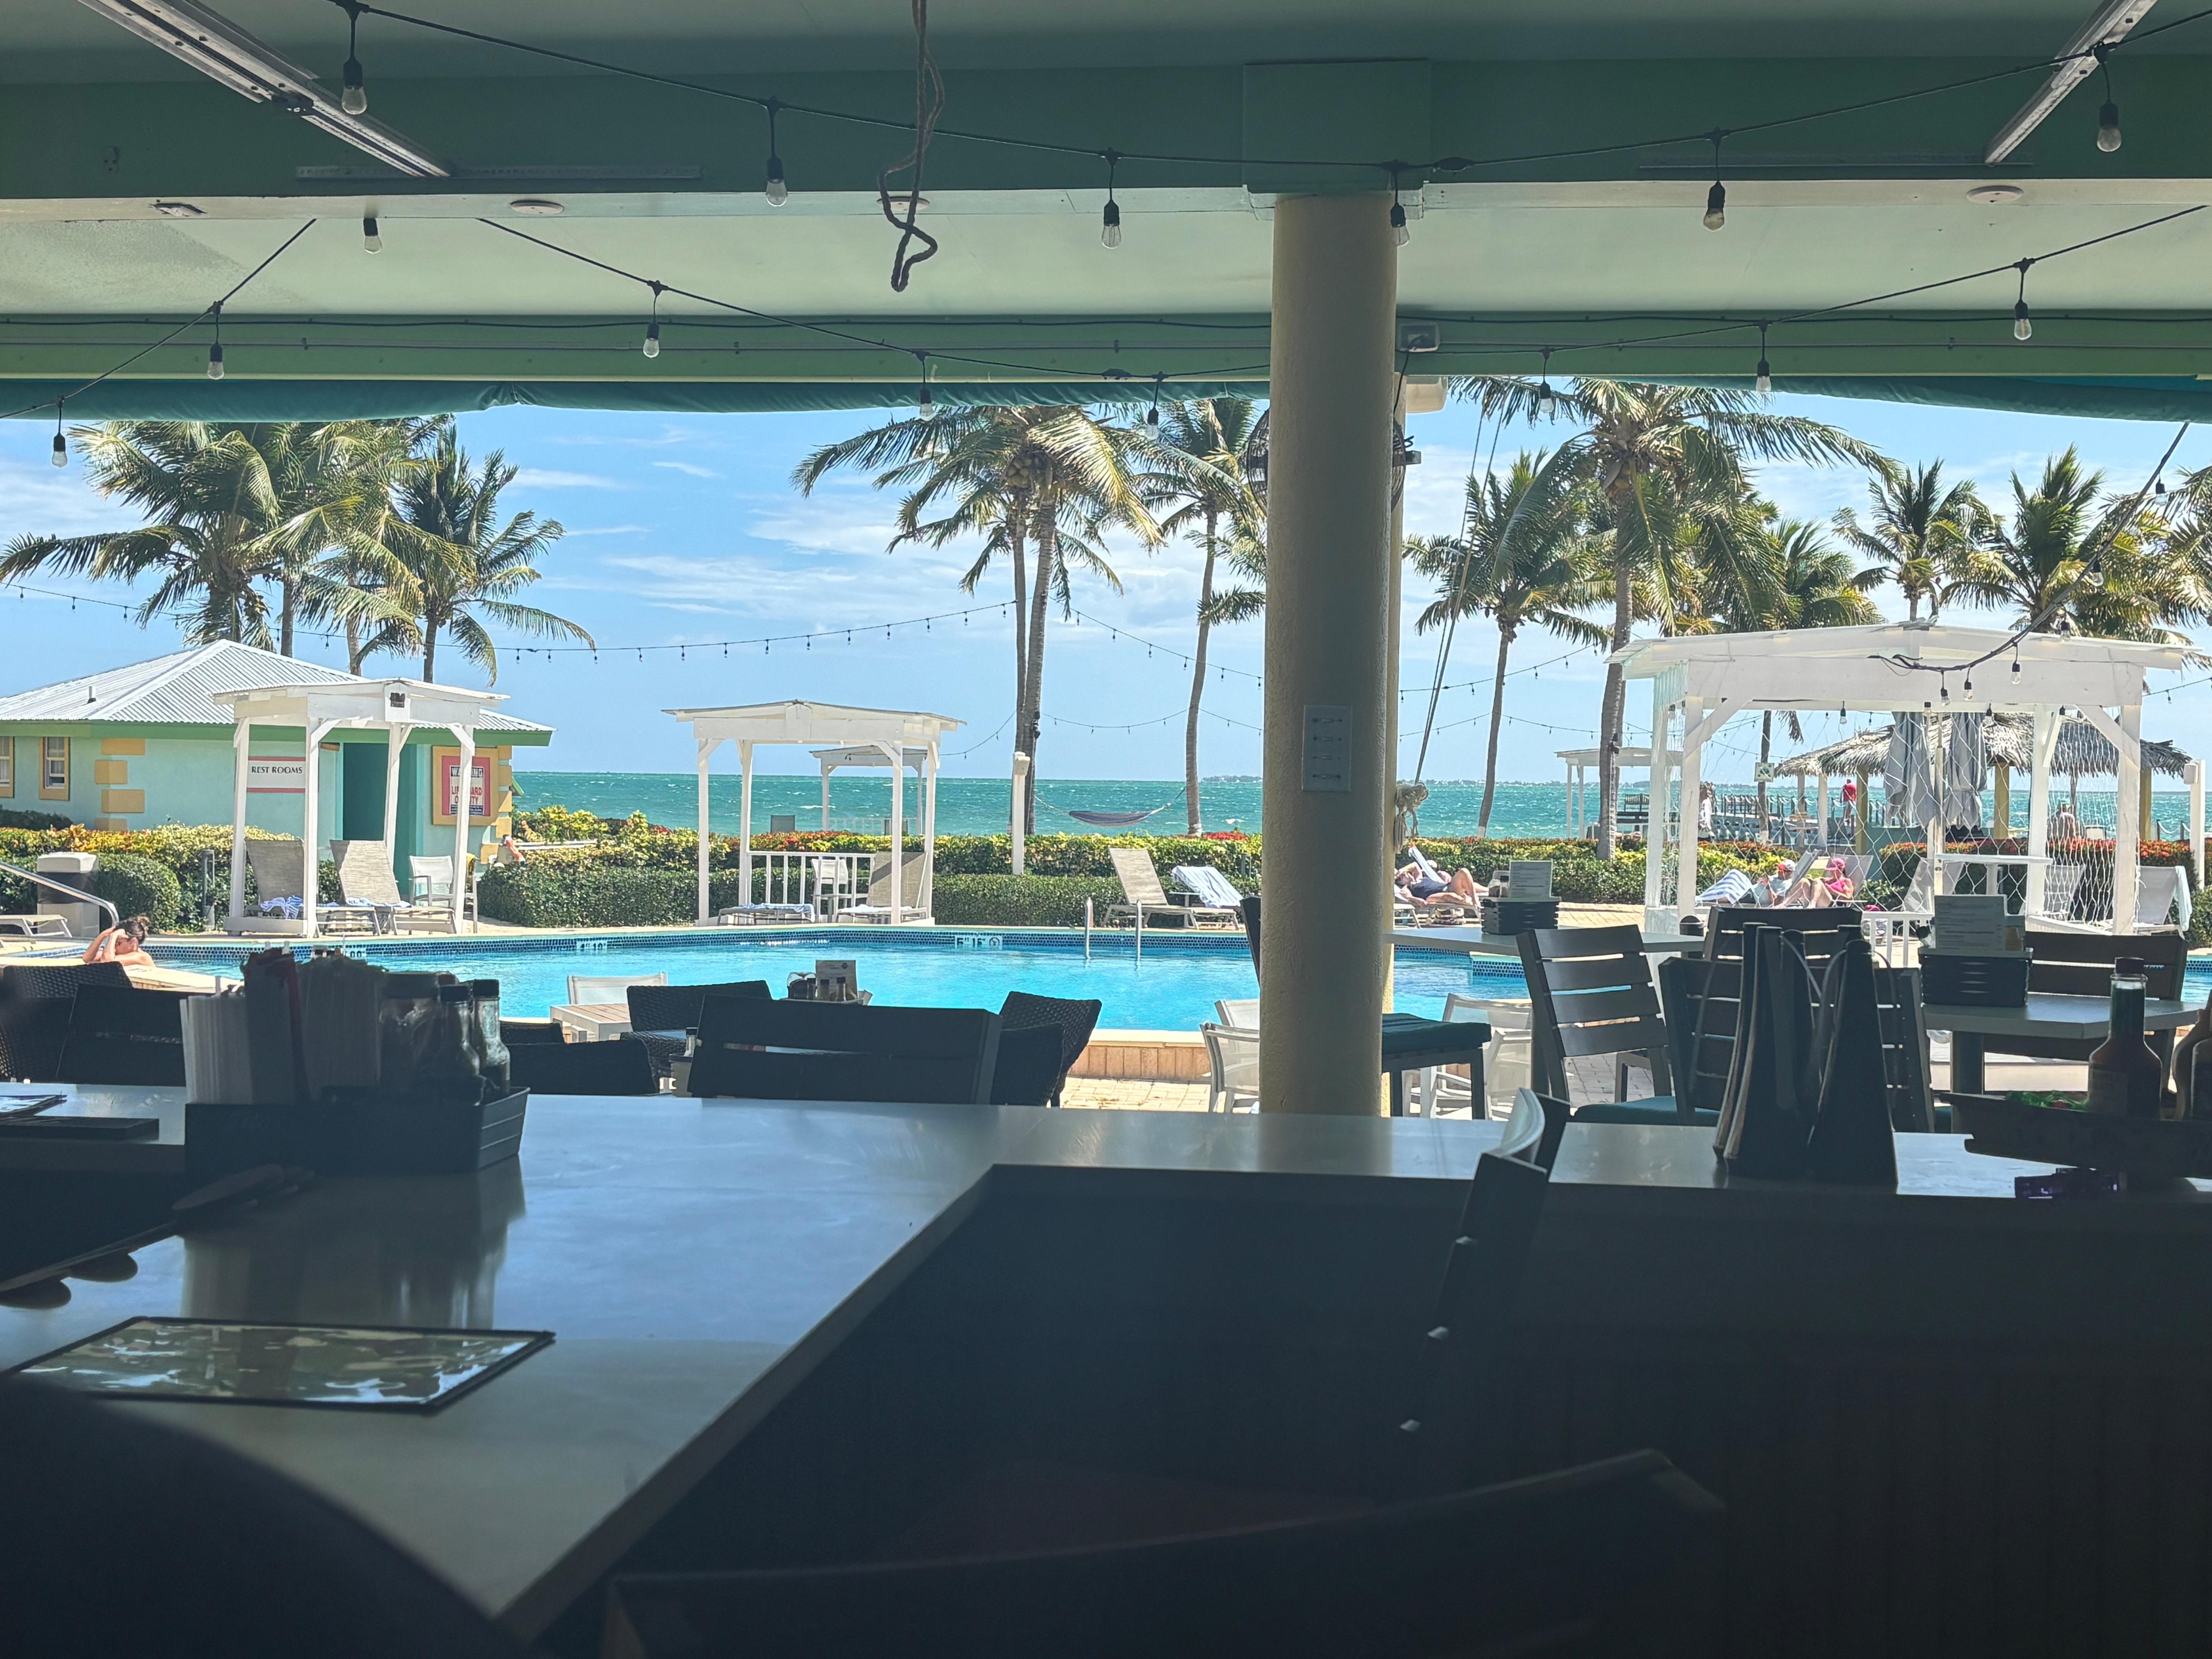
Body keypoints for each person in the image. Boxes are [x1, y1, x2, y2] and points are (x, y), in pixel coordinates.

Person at [81, 913, 153, 969]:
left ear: (133, 942)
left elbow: (108, 964)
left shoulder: (142, 957)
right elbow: (87, 959)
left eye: (118, 943)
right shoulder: (117, 955)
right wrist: (103, 935)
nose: (114, 948)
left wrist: (114, 936)